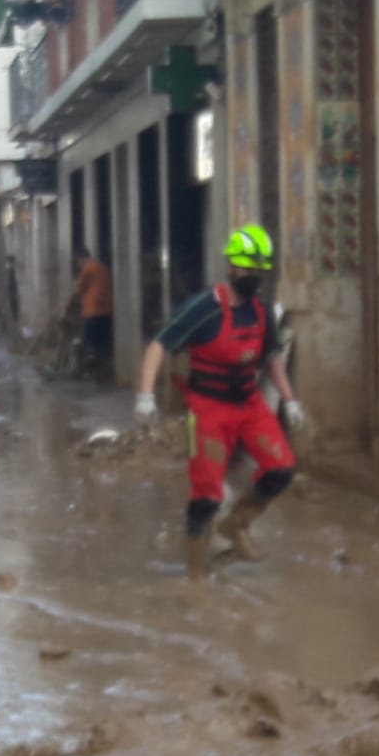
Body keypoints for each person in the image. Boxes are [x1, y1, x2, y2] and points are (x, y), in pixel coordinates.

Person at [134, 225, 306, 582]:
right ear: (230, 267)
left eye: (258, 271)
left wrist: (289, 401)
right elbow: (159, 345)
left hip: (250, 404)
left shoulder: (262, 312)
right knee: (206, 495)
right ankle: (197, 575)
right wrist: (145, 396)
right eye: (246, 269)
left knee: (281, 469)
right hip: (210, 410)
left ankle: (236, 525)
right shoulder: (203, 308)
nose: (252, 277)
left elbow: (272, 357)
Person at [71, 246, 113, 378]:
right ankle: (106, 370)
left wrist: (74, 299)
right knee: (104, 342)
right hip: (107, 310)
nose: (78, 264)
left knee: (92, 343)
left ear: (81, 258)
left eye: (78, 261)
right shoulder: (102, 267)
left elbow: (80, 289)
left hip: (92, 311)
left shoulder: (87, 269)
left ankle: (94, 371)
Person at [6, 254, 20, 325]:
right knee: (13, 305)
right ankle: (15, 317)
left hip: (14, 290)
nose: (8, 264)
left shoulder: (13, 270)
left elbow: (14, 281)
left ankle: (16, 317)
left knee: (15, 305)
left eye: (9, 262)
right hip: (11, 290)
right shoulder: (9, 270)